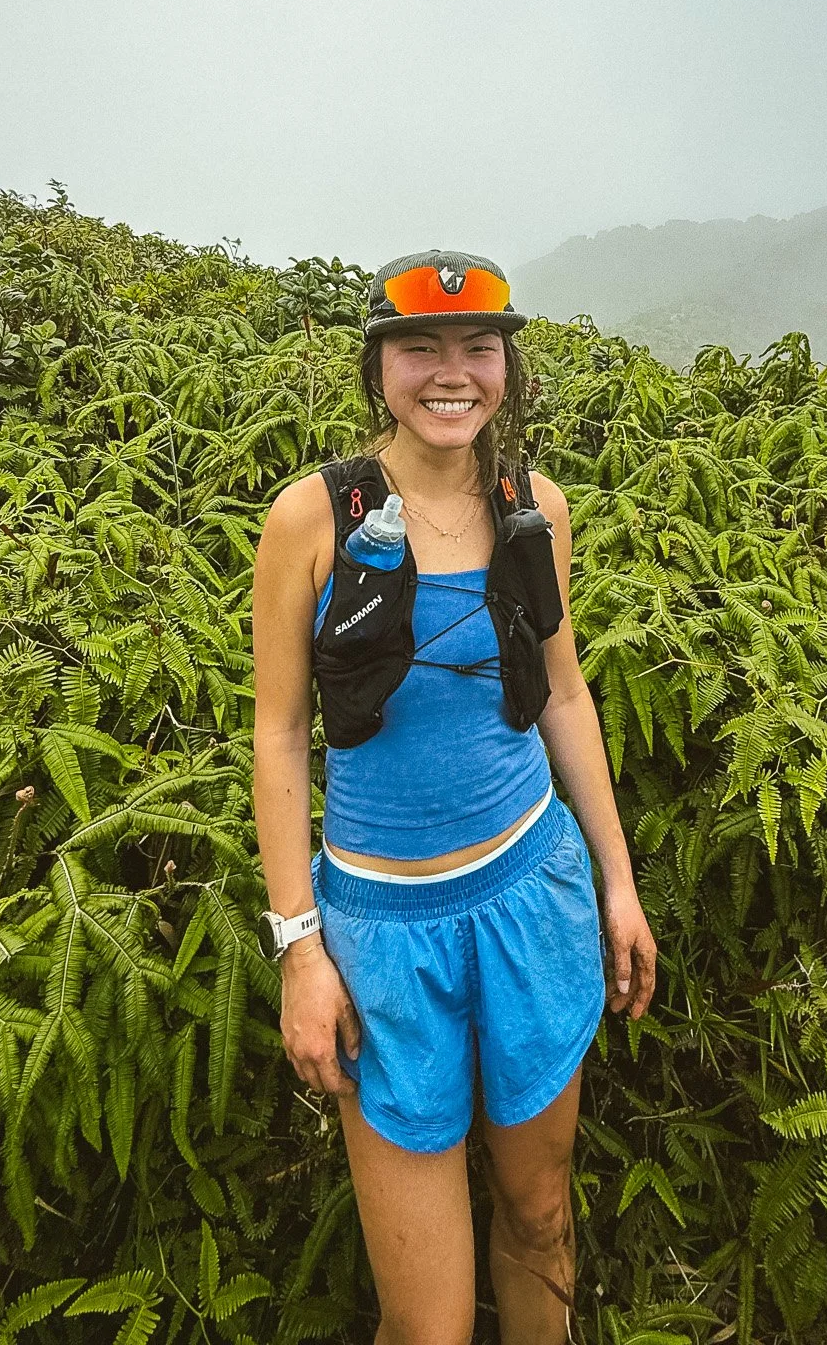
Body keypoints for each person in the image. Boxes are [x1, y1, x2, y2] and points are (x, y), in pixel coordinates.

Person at [251, 250, 657, 1343]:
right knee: (424, 1323)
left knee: (538, 1214)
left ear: (508, 367)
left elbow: (566, 696)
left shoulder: (535, 506)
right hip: (382, 934)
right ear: (377, 362)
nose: (452, 373)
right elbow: (279, 731)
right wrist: (301, 948)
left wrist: (619, 884)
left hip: (533, 898)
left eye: (479, 347)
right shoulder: (312, 518)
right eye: (419, 347)